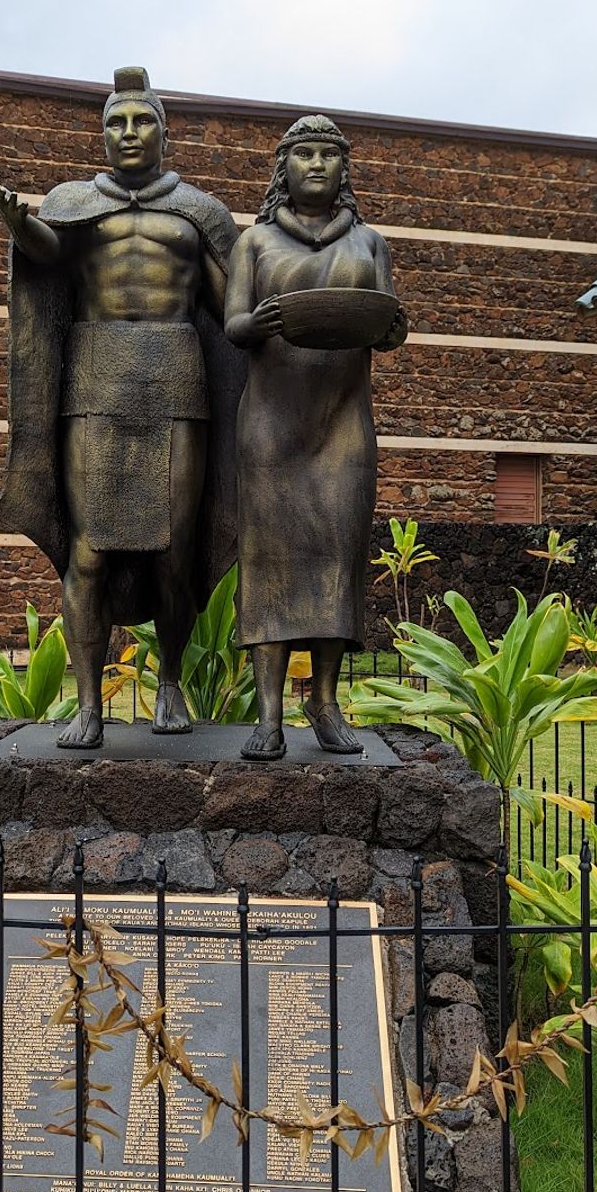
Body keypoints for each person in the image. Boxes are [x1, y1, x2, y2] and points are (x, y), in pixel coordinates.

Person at [0, 68, 243, 749]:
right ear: (102, 135)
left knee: (173, 553)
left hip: (177, 385)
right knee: (89, 554)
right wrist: (20, 225)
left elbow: (232, 310)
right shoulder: (72, 202)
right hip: (95, 387)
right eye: (116, 123)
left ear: (164, 130)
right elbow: (49, 253)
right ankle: (89, 705)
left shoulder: (201, 212)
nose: (128, 133)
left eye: (142, 121)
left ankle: (172, 682)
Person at [224, 115, 406, 761]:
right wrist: (258, 321)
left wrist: (391, 330)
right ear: (284, 165)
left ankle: (324, 701)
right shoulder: (254, 243)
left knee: (339, 560)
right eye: (305, 153)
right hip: (272, 428)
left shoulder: (371, 244)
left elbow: (388, 321)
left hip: (343, 425)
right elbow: (232, 326)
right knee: (269, 564)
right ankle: (268, 714)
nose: (318, 164)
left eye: (329, 154)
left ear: (344, 167)